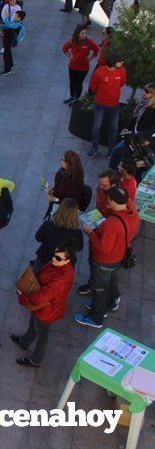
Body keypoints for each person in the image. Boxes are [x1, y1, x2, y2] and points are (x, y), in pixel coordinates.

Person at [74, 187, 139, 328]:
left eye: (109, 200)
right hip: (119, 256)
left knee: (99, 289)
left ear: (114, 202)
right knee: (110, 280)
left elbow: (103, 248)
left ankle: (97, 317)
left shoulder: (112, 224)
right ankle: (111, 301)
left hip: (105, 260)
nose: (107, 202)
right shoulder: (132, 211)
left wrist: (90, 232)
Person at [13, 243, 76, 367]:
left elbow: (40, 297)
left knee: (42, 335)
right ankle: (25, 341)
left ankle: (36, 360)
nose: (53, 259)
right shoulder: (58, 266)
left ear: (67, 261)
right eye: (54, 255)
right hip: (42, 308)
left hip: (46, 310)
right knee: (34, 323)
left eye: (58, 258)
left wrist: (22, 297)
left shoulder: (61, 279)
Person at [87, 53, 126, 159]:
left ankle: (111, 151)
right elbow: (93, 87)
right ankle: (94, 149)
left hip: (114, 106)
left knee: (113, 128)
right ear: (113, 64)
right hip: (100, 105)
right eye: (119, 61)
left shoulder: (122, 70)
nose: (122, 62)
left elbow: (122, 83)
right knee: (96, 128)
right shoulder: (99, 72)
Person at [61, 25, 100, 105]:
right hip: (72, 66)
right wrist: (70, 56)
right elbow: (64, 48)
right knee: (72, 82)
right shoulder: (73, 41)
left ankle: (77, 98)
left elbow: (96, 50)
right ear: (77, 34)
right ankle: (72, 97)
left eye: (85, 33)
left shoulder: (89, 42)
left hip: (83, 68)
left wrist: (90, 58)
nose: (84, 35)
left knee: (79, 83)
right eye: (82, 33)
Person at [0, 10, 25, 76]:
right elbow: (8, 26)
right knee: (8, 53)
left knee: (6, 54)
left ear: (19, 18)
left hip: (9, 41)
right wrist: (0, 26)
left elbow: (8, 25)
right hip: (8, 40)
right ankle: (11, 65)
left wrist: (6, 17)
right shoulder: (15, 22)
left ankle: (7, 69)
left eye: (16, 16)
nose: (14, 16)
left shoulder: (17, 24)